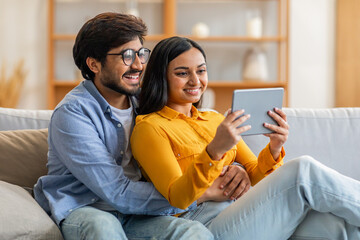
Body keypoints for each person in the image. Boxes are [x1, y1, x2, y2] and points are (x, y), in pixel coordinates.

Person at [130, 36, 360, 240]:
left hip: (246, 213)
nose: (195, 80)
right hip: (205, 224)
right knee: (302, 171)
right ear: (161, 77)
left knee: (336, 225)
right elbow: (177, 198)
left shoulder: (214, 119)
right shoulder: (150, 128)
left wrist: (274, 147)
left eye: (201, 71)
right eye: (182, 73)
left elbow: (255, 175)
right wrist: (215, 151)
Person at [33, 14, 214, 240]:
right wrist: (196, 194)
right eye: (126, 56)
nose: (138, 65)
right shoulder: (72, 113)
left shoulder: (146, 101)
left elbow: (193, 136)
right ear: (94, 64)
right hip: (87, 208)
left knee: (192, 233)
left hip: (137, 213)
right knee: (103, 228)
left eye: (141, 54)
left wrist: (233, 166)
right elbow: (115, 192)